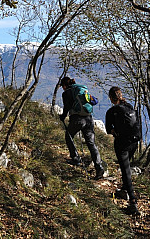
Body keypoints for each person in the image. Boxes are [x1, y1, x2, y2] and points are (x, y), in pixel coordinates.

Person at [59, 77, 105, 180]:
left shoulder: (66, 93)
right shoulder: (81, 90)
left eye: (62, 86)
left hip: (77, 119)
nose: (62, 88)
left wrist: (62, 116)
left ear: (64, 85)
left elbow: (67, 107)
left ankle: (75, 158)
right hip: (89, 119)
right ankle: (99, 167)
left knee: (69, 136)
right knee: (91, 143)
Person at [105, 86, 141, 215]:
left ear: (111, 98)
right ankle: (124, 190)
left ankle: (132, 203)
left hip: (122, 143)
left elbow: (109, 130)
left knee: (126, 171)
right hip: (135, 142)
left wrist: (116, 131)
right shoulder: (130, 106)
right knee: (126, 167)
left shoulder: (112, 111)